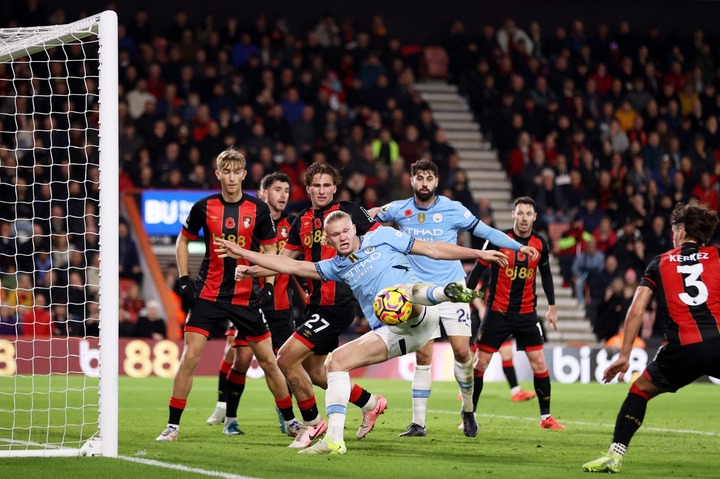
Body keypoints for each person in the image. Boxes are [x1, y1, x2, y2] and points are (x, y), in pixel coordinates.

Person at [216, 209, 509, 454]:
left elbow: (431, 248)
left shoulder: (381, 235)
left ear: (354, 229)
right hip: (396, 332)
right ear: (329, 240)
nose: (342, 238)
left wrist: (476, 253)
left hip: (422, 310)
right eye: (335, 235)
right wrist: (244, 255)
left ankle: (446, 292)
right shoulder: (335, 266)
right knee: (335, 363)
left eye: (345, 231)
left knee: (401, 292)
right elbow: (288, 264)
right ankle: (333, 439)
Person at [369, 159, 539, 438]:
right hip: (418, 291)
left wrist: (519, 246)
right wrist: (356, 217)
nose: (424, 183)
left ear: (436, 182)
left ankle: (469, 411)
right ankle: (418, 423)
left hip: (453, 290)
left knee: (462, 352)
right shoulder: (399, 209)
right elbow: (369, 217)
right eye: (419, 177)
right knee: (423, 354)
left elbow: (487, 232)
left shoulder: (453, 209)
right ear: (411, 180)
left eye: (429, 178)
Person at [238, 163, 384, 449]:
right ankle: (370, 403)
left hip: (339, 303)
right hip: (314, 304)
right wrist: (251, 270)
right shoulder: (301, 220)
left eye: (327, 185)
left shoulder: (350, 212)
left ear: (334, 188)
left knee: (285, 357)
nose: (321, 190)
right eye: (316, 185)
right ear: (308, 189)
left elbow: (379, 241)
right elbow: (283, 261)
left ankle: (313, 424)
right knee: (318, 373)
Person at [155, 147, 295, 442]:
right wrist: (183, 278)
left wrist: (268, 285)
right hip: (209, 294)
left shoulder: (257, 209)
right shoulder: (203, 207)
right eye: (226, 172)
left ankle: (292, 421)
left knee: (269, 361)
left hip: (246, 297)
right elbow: (183, 241)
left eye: (236, 172)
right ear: (217, 174)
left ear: (244, 175)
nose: (231, 178)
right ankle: (172, 426)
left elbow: (271, 250)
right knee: (189, 358)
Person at [583, 203, 720, 473]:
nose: (672, 236)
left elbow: (635, 310)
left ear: (681, 232)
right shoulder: (717, 256)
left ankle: (615, 455)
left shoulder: (660, 262)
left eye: (673, 230)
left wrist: (624, 355)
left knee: (640, 390)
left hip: (682, 348)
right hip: (718, 342)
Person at [205, 173, 300, 436]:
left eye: (286, 190)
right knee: (242, 357)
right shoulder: (250, 224)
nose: (283, 195)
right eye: (277, 190)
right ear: (262, 193)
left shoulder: (291, 226)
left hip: (280, 305)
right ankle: (229, 417)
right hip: (249, 300)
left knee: (286, 360)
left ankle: (285, 414)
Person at [466, 197, 565, 431]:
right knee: (480, 363)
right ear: (513, 215)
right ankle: (469, 414)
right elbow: (479, 266)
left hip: (526, 313)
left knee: (539, 363)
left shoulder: (540, 243)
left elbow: (547, 275)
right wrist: (467, 294)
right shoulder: (498, 239)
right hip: (497, 312)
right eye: (520, 213)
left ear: (534, 217)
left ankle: (546, 418)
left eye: (528, 214)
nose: (523, 218)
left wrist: (552, 306)